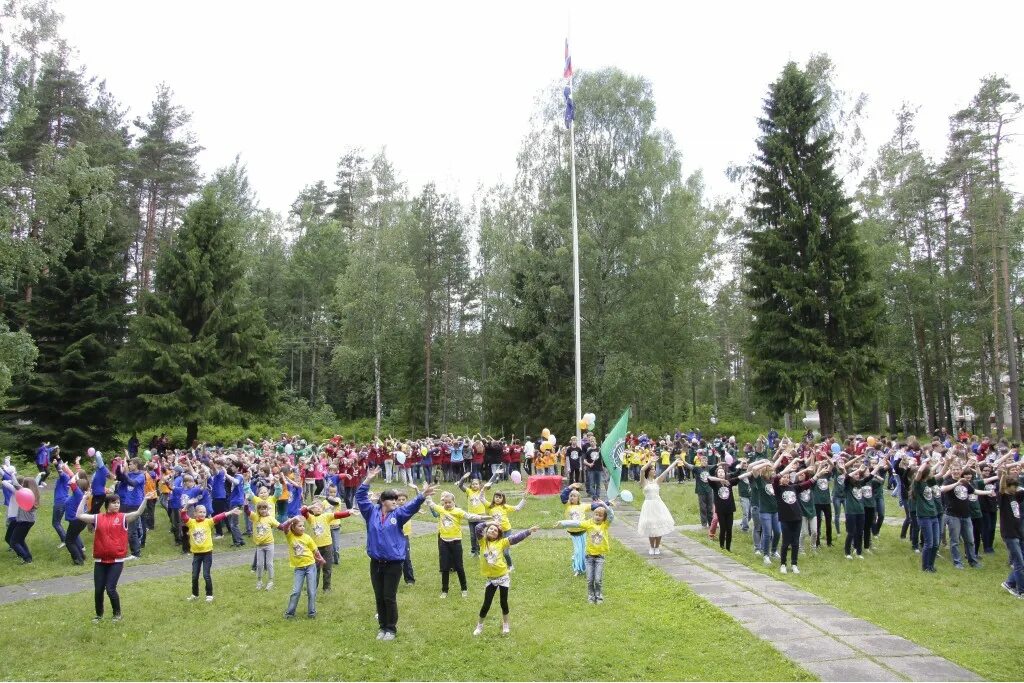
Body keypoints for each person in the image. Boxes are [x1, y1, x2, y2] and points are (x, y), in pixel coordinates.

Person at [355, 466, 436, 641]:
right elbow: (360, 497)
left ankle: (391, 629)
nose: (395, 502)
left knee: (388, 596)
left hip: (394, 563)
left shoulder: (398, 514)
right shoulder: (371, 513)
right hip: (376, 563)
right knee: (379, 596)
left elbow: (411, 507)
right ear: (383, 501)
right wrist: (368, 480)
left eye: (397, 499)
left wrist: (422, 496)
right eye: (392, 499)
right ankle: (382, 627)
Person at [75, 493, 146, 622]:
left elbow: (137, 513)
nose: (117, 504)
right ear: (107, 504)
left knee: (110, 588)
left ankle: (117, 614)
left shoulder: (122, 517)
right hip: (100, 560)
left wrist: (145, 499)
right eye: (114, 502)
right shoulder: (98, 518)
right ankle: (99, 615)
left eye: (118, 502)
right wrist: (84, 499)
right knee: (98, 590)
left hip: (116, 560)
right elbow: (79, 515)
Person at [473, 520, 540, 635]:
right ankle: (479, 626)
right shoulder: (482, 541)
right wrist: (491, 522)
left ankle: (505, 624)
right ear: (487, 531)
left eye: (495, 530)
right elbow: (478, 527)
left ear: (498, 534)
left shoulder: (502, 542)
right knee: (486, 603)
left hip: (503, 577)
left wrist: (529, 531)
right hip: (491, 579)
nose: (493, 531)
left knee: (503, 602)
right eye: (491, 529)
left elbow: (516, 538)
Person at [426, 491, 489, 598]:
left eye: (449, 502)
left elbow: (470, 517)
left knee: (459, 566)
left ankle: (464, 589)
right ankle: (444, 590)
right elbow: (430, 503)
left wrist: (485, 518)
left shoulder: (458, 511)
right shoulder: (441, 510)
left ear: (454, 502)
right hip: (444, 543)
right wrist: (426, 492)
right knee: (445, 567)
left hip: (456, 543)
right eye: (445, 503)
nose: (447, 504)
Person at [180, 503, 241, 602]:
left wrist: (230, 512)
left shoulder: (208, 522)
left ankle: (209, 595)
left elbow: (219, 517)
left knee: (206, 575)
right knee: (194, 575)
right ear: (195, 513)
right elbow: (183, 514)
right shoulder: (191, 522)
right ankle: (195, 595)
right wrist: (187, 505)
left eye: (204, 512)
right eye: (200, 512)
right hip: (196, 554)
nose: (202, 513)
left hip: (207, 554)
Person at [555, 501, 614, 603]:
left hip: (600, 557)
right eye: (596, 514)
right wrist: (563, 522)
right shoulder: (589, 523)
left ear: (604, 518)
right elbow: (576, 523)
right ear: (593, 515)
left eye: (600, 515)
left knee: (598, 580)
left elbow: (611, 515)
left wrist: (604, 505)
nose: (597, 517)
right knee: (590, 580)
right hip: (589, 557)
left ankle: (599, 597)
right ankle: (591, 597)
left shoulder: (605, 525)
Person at [277, 514, 326, 618]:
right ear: (293, 527)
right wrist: (291, 520)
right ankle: (290, 613)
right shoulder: (290, 536)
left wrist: (321, 559)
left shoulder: (307, 537)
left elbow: (315, 550)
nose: (302, 528)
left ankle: (312, 613)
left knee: (311, 591)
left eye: (303, 526)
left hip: (310, 566)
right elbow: (283, 527)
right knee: (296, 591)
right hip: (299, 569)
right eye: (299, 526)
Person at [300, 500, 353, 592]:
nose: (318, 509)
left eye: (320, 507)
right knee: (315, 569)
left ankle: (326, 588)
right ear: (313, 509)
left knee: (327, 568)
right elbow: (303, 511)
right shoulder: (310, 518)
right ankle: (313, 587)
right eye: (316, 507)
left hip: (327, 546)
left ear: (323, 509)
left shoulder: (326, 516)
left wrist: (348, 512)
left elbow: (338, 515)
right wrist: (310, 507)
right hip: (315, 549)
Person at [637, 460, 679, 555]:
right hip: (648, 505)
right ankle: (652, 547)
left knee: (659, 525)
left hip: (658, 505)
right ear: (649, 471)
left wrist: (675, 462)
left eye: (654, 469)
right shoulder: (644, 482)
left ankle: (657, 547)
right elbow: (642, 470)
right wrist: (651, 461)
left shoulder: (657, 481)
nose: (654, 471)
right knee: (651, 525)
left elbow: (667, 470)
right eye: (652, 469)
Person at [485, 489, 528, 571]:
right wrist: (484, 489)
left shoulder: (505, 507)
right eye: (496, 497)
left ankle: (510, 566)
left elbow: (517, 508)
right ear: (493, 498)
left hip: (507, 531)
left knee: (505, 552)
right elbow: (482, 499)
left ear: (503, 499)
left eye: (500, 497)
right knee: (496, 549)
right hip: (496, 532)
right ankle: (497, 564)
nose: (497, 499)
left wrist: (524, 498)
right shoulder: (490, 506)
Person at [458, 470, 497, 557]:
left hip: (481, 516)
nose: (475, 485)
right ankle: (473, 551)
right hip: (471, 517)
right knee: (472, 535)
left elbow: (490, 483)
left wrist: (496, 473)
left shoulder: (482, 491)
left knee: (479, 534)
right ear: (471, 485)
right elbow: (460, 485)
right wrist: (463, 478)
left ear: (480, 485)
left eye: (476, 484)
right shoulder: (469, 491)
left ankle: (480, 550)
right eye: (473, 484)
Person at [2, 475, 39, 563]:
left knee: (13, 542)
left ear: (25, 484)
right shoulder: (34, 492)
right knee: (20, 540)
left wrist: (11, 474)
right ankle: (28, 557)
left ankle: (26, 559)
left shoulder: (25, 492)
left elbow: (15, 484)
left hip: (24, 521)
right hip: (29, 521)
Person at [249, 501, 280, 590]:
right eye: (261, 509)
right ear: (258, 510)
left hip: (269, 545)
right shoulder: (255, 517)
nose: (263, 511)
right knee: (259, 564)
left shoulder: (270, 518)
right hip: (259, 546)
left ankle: (270, 581)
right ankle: (259, 581)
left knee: (269, 563)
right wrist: (246, 502)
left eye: (264, 509)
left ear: (267, 509)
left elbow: (280, 526)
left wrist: (290, 523)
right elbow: (247, 511)